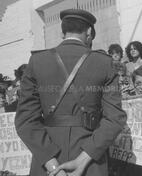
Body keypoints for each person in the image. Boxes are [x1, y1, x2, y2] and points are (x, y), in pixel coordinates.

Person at [15, 9, 127, 176]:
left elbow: (25, 120)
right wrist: (82, 160)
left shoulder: (37, 61)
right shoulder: (104, 62)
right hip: (89, 157)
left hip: (47, 156)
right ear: (89, 32)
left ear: (62, 32)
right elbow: (115, 119)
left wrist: (53, 167)